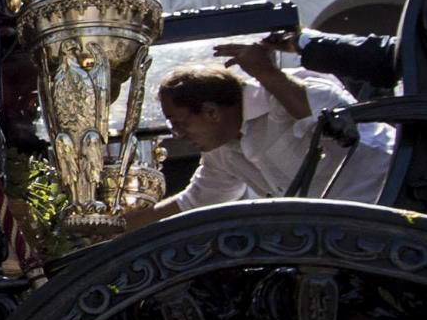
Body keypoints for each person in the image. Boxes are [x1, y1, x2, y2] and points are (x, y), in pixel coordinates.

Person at [120, 38, 392, 228]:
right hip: (347, 234)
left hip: (399, 196)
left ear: (212, 112)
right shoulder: (222, 151)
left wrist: (266, 72)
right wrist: (112, 228)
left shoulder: (286, 92)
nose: (176, 134)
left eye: (178, 123)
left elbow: (326, 115)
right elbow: (191, 203)